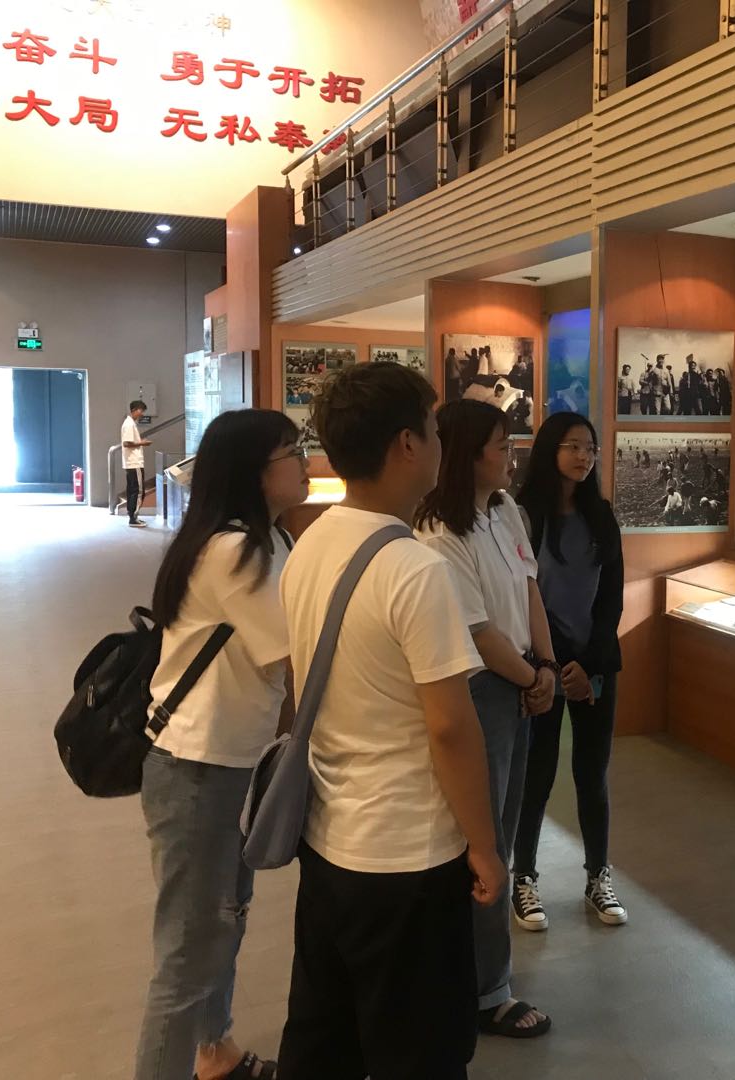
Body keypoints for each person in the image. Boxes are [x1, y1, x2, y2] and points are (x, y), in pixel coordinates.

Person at [277, 364, 505, 1080]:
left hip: (329, 842)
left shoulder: (310, 543)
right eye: (434, 429)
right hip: (409, 855)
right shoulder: (415, 569)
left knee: (325, 1042)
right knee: (422, 1053)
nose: (440, 444)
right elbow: (450, 727)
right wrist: (484, 846)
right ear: (408, 444)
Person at [135, 408, 309, 1080]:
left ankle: (215, 1051)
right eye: (292, 452)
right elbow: (297, 652)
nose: (305, 463)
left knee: (223, 917)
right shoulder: (238, 550)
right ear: (256, 473)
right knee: (187, 950)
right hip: (197, 768)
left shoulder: (267, 538)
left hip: (231, 760)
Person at [416, 400, 557, 1040]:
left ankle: (482, 978)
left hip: (520, 680)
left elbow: (529, 590)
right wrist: (531, 679)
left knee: (503, 825)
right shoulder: (438, 532)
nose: (511, 455)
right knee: (482, 839)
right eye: (502, 445)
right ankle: (486, 991)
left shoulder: (505, 510)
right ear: (467, 454)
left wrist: (545, 665)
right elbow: (474, 631)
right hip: (482, 690)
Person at [511, 412, 628, 933]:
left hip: (595, 666)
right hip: (539, 668)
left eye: (590, 448)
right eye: (573, 446)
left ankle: (598, 876)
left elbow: (611, 599)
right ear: (549, 451)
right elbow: (522, 598)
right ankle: (524, 877)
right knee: (535, 777)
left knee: (592, 775)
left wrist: (590, 665)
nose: (584, 456)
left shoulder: (602, 516)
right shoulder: (522, 516)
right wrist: (557, 665)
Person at [122, 399, 152, 528]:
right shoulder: (129, 424)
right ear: (134, 410)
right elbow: (126, 443)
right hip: (134, 463)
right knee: (139, 491)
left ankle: (132, 516)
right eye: (141, 411)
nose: (142, 414)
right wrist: (142, 443)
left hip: (131, 463)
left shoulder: (129, 423)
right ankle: (133, 518)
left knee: (132, 490)